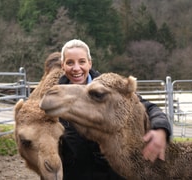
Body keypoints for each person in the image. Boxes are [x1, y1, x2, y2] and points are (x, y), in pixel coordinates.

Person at [58, 39, 172, 180]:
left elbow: (149, 108)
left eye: (81, 62)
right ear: (62, 65)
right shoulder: (55, 100)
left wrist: (160, 129)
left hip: (113, 174)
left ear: (89, 63)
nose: (76, 68)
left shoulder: (111, 89)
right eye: (70, 63)